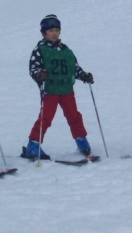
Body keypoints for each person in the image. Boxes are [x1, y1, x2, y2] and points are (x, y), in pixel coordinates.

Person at [21, 14, 95, 160]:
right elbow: (33, 68)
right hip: (50, 91)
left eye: (57, 30)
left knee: (74, 116)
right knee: (46, 118)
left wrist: (84, 75)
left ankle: (81, 140)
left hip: (67, 90)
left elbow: (74, 67)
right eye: (51, 31)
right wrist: (38, 75)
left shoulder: (66, 50)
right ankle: (33, 145)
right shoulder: (40, 49)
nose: (54, 33)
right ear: (44, 33)